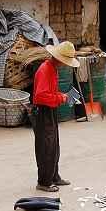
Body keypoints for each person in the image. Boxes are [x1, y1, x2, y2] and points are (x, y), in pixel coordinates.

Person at [31, 41, 80, 192]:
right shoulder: (45, 70)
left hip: (50, 110)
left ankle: (53, 176)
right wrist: (61, 98)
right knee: (46, 147)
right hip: (43, 111)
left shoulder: (53, 68)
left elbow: (49, 93)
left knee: (54, 146)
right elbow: (40, 96)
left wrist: (60, 97)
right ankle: (44, 181)